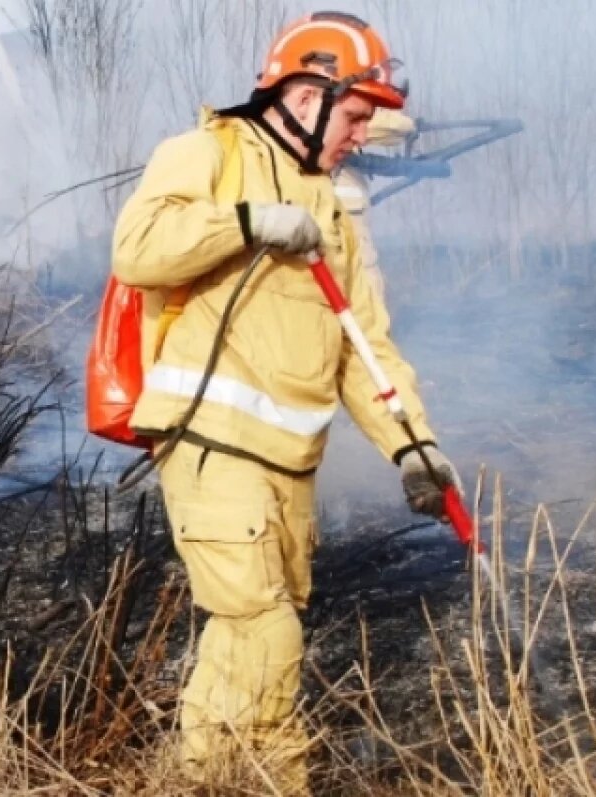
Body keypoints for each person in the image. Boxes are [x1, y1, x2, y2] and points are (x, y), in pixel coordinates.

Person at [109, 11, 461, 790]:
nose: (363, 135)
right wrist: (246, 223)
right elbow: (137, 248)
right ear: (308, 96)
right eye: (358, 114)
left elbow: (365, 345)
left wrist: (414, 445)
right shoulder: (209, 152)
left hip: (287, 464)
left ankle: (226, 776)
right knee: (260, 630)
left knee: (257, 640)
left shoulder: (332, 205)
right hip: (209, 442)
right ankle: (250, 779)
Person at [331, 108, 416, 301]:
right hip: (347, 267)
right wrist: (409, 124)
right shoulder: (324, 110)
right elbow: (396, 127)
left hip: (356, 264)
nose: (359, 136)